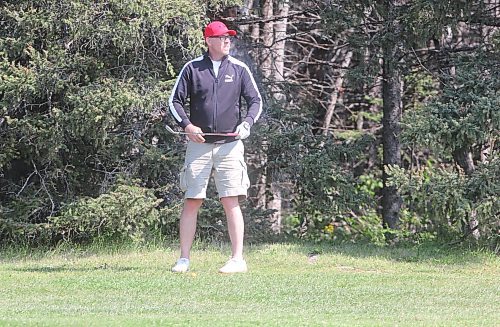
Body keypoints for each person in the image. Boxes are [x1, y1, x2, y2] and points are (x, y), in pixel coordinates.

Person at [168, 21, 262, 273]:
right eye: (222, 38)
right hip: (199, 145)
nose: (227, 41)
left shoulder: (240, 69)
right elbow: (174, 102)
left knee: (231, 200)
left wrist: (247, 123)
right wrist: (188, 126)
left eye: (228, 38)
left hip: (230, 145)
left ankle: (237, 259)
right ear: (208, 41)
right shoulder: (192, 68)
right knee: (192, 200)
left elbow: (255, 101)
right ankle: (184, 259)